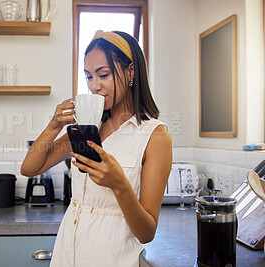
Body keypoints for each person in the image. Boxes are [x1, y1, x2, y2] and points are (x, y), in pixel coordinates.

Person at [21, 30, 172, 267]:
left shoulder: (155, 136)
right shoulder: (87, 126)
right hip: (67, 254)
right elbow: (29, 168)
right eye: (89, 77)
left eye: (103, 74)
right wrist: (53, 125)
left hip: (112, 259)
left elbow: (147, 233)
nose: (94, 86)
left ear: (130, 71)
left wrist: (119, 184)